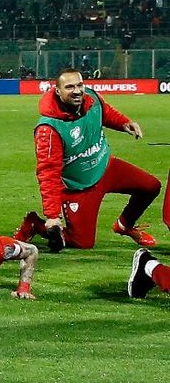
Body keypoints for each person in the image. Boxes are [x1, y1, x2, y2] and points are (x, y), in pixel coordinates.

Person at [16, 68, 160, 253]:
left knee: (151, 186)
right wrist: (52, 215)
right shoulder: (48, 129)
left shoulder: (91, 98)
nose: (77, 90)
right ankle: (36, 225)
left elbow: (104, 112)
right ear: (57, 91)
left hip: (106, 167)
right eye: (69, 87)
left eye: (79, 85)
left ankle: (125, 225)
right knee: (82, 242)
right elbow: (48, 173)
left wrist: (124, 123)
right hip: (79, 187)